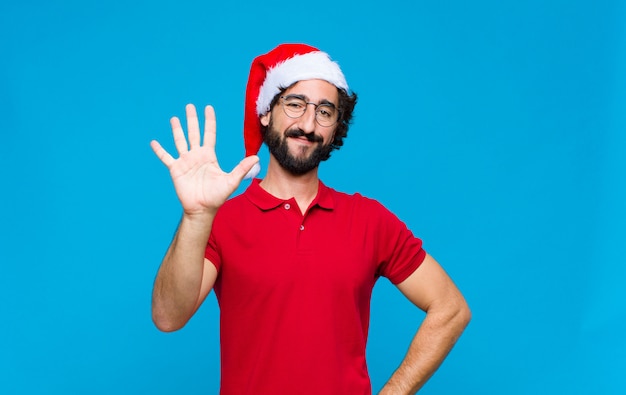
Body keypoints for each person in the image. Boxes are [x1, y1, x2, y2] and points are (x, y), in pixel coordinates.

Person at [150, 43, 471, 395]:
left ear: (336, 128)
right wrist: (196, 217)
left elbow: (451, 309)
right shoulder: (222, 221)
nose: (307, 124)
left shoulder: (369, 220)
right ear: (266, 113)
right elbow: (168, 317)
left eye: (324, 111)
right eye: (295, 104)